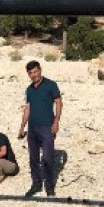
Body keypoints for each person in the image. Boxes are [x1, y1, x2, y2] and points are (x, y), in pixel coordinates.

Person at [18, 60, 62, 197]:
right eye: (31, 73)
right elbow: (28, 108)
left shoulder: (51, 85)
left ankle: (49, 187)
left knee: (48, 158)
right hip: (32, 128)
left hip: (46, 127)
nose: (33, 75)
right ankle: (36, 185)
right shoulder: (29, 89)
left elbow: (59, 102)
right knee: (33, 158)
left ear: (40, 70)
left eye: (35, 71)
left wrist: (56, 122)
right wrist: (22, 127)